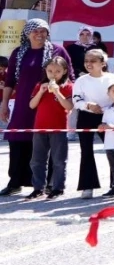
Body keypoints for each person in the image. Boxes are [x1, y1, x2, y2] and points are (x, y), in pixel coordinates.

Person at [2, 19, 73, 195]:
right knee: (18, 139)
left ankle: (50, 184)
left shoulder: (58, 51)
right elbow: (10, 81)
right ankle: (16, 181)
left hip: (50, 103)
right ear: (27, 33)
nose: (40, 34)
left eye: (43, 31)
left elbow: (70, 76)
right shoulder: (18, 52)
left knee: (50, 143)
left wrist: (64, 97)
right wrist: (4, 104)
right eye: (35, 31)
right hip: (24, 103)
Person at [26, 55, 73, 199]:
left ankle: (58, 188)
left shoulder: (68, 86)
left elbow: (69, 106)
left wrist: (57, 91)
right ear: (45, 71)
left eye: (57, 71)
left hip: (58, 129)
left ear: (64, 71)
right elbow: (32, 105)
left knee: (59, 161)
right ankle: (38, 188)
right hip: (40, 128)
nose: (53, 74)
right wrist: (41, 91)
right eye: (50, 71)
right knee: (37, 161)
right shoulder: (39, 86)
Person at [71, 48, 114, 197]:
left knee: (113, 150)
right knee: (86, 151)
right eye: (86, 61)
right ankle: (87, 186)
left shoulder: (112, 79)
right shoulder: (81, 80)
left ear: (103, 63)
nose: (89, 64)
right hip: (86, 117)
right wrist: (88, 105)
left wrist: (105, 109)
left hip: (108, 116)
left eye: (93, 61)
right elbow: (76, 100)